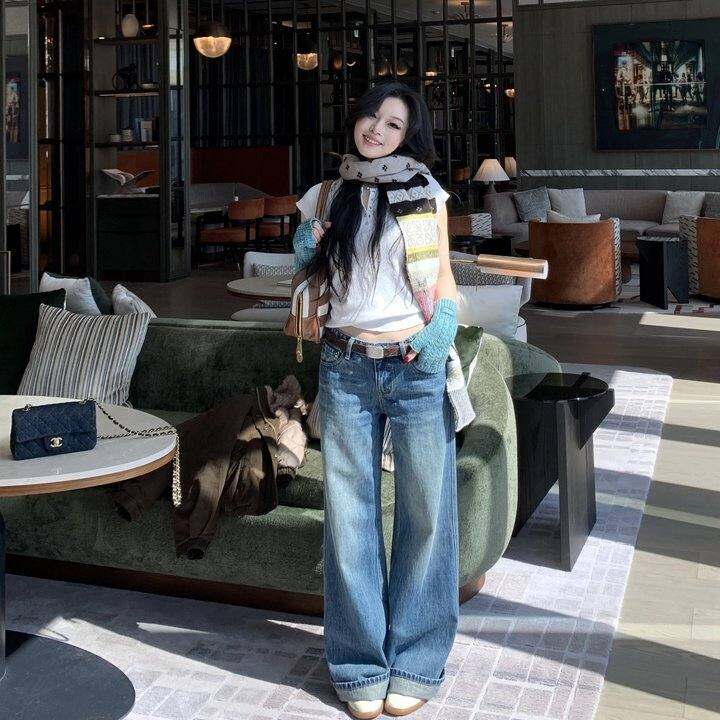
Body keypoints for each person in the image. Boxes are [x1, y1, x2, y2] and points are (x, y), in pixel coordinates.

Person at [293, 81, 473, 719]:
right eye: (371, 117)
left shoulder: (427, 192)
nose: (377, 130)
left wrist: (440, 330)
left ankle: (417, 660)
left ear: (408, 135)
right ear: (355, 121)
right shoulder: (325, 194)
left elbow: (443, 275)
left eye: (393, 124)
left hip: (414, 365)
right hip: (345, 366)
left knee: (426, 514)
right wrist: (306, 245)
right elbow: (309, 274)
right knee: (350, 519)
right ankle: (359, 665)